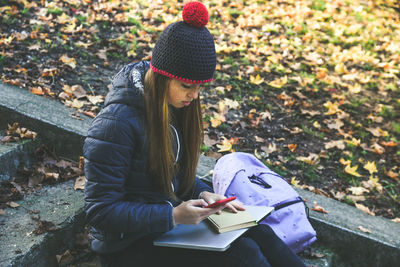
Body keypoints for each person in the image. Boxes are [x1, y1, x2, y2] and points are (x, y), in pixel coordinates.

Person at [83, 2, 306, 267]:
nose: (195, 95)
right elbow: (100, 211)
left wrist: (204, 195)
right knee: (242, 255)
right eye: (188, 85)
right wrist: (173, 215)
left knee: (261, 233)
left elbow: (174, 179)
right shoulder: (116, 125)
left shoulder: (174, 105)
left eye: (201, 87)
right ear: (162, 77)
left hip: (165, 228)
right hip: (128, 247)